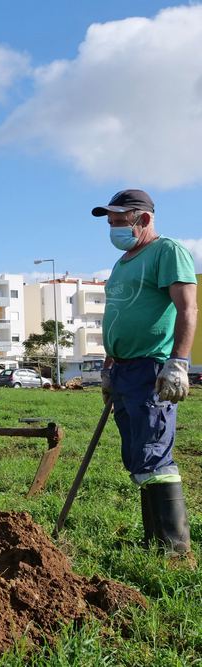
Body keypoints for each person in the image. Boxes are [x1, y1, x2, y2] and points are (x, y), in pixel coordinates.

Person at [93, 189, 197, 558]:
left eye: (120, 221)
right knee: (137, 455)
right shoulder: (123, 261)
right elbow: (116, 316)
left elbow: (187, 308)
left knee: (154, 453)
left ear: (145, 219)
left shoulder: (166, 251)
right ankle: (154, 540)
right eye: (111, 223)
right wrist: (108, 368)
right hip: (122, 370)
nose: (114, 228)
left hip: (151, 367)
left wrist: (178, 363)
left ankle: (174, 550)